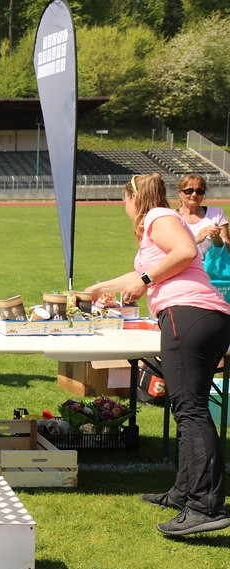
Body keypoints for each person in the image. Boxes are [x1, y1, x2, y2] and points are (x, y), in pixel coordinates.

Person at [86, 173, 230, 536]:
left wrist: (145, 282)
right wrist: (100, 288)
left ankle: (205, 505)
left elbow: (186, 252)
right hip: (200, 316)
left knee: (190, 408)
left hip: (188, 314)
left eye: (123, 200)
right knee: (189, 405)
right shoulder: (160, 223)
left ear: (132, 199)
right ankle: (184, 492)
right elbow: (143, 273)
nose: (124, 207)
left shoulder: (157, 218)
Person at [176, 173, 228, 257]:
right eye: (189, 191)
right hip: (184, 268)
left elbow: (227, 250)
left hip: (210, 269)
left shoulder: (216, 213)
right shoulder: (170, 217)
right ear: (179, 193)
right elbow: (166, 252)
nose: (194, 195)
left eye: (199, 191)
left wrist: (216, 238)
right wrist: (196, 240)